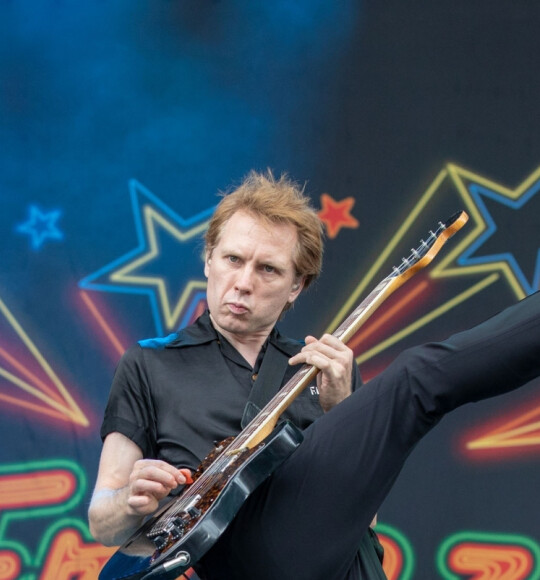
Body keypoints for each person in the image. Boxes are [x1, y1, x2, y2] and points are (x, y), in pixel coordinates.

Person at [88, 170, 540, 580]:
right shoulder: (149, 363)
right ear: (208, 259)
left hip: (330, 562)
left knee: (413, 380)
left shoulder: (322, 368)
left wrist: (341, 409)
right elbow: (101, 522)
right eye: (232, 259)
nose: (244, 282)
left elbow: (363, 518)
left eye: (268, 269)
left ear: (296, 286)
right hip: (235, 557)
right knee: (416, 375)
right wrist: (130, 498)